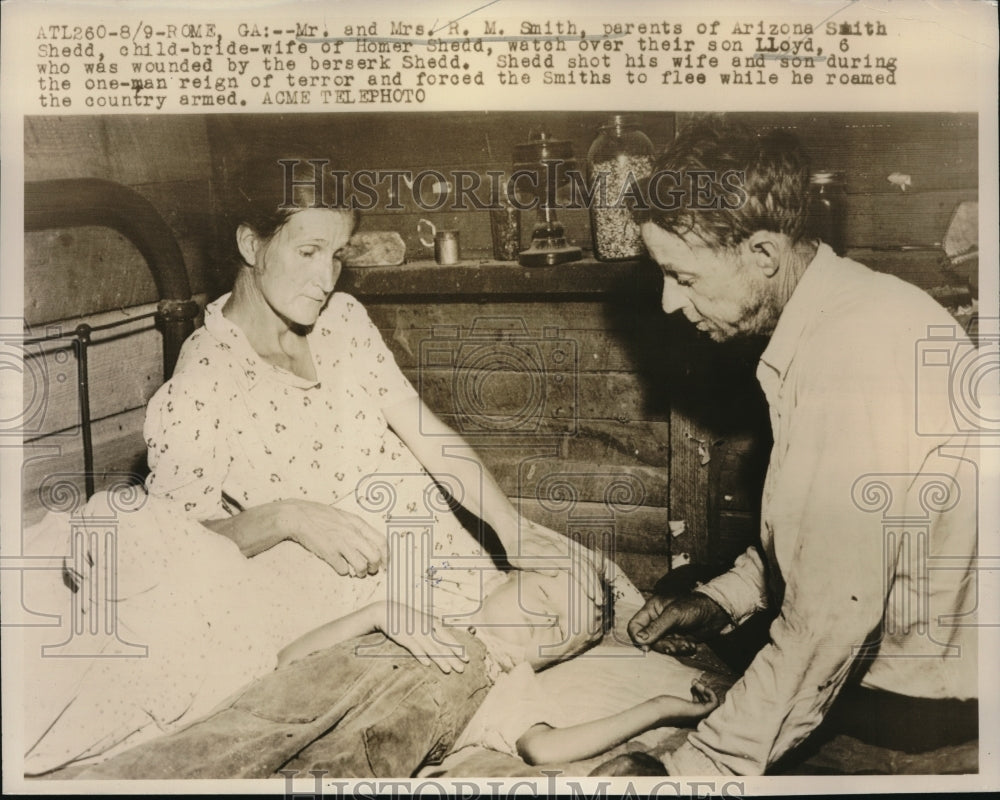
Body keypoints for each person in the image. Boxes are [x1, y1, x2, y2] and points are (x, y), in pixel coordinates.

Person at [609, 116, 980, 775]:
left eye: (684, 277)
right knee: (689, 585)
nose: (668, 301)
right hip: (896, 665)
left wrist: (687, 774)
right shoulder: (849, 309)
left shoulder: (849, 358)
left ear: (762, 256)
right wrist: (725, 597)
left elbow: (830, 618)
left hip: (916, 720)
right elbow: (832, 530)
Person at [64, 566, 606, 779]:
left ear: (556, 658)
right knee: (162, 766)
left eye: (560, 628)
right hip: (271, 709)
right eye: (540, 594)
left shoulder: (508, 682)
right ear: (503, 580)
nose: (542, 619)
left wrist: (663, 709)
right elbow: (288, 659)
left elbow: (544, 750)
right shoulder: (415, 606)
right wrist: (377, 614)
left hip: (348, 761)